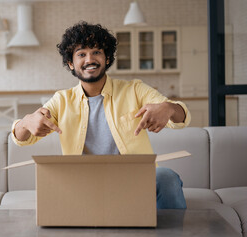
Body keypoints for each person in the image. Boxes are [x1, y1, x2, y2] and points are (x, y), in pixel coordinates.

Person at [12, 21, 191, 209]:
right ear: (71, 64)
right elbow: (21, 139)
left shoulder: (135, 90)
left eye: (96, 52)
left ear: (107, 59)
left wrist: (169, 108)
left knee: (167, 177)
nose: (90, 59)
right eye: (81, 54)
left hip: (135, 180)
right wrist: (26, 122)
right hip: (84, 185)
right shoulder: (61, 100)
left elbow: (181, 117)